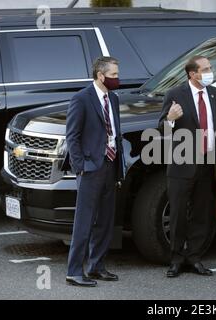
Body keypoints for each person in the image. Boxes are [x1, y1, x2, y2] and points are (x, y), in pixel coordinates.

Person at [158, 55, 216, 278]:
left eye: (210, 67)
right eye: (205, 69)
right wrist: (170, 118)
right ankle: (176, 259)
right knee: (177, 214)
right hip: (181, 165)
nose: (210, 71)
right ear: (192, 74)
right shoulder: (175, 94)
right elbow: (162, 130)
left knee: (202, 213)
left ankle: (194, 257)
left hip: (207, 164)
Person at [66, 56, 124, 287]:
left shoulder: (114, 99)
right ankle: (74, 271)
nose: (117, 79)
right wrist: (80, 167)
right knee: (84, 221)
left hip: (110, 165)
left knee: (105, 220)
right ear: (101, 76)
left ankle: (96, 266)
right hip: (90, 168)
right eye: (113, 75)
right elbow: (72, 136)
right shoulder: (81, 99)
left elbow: (115, 132)